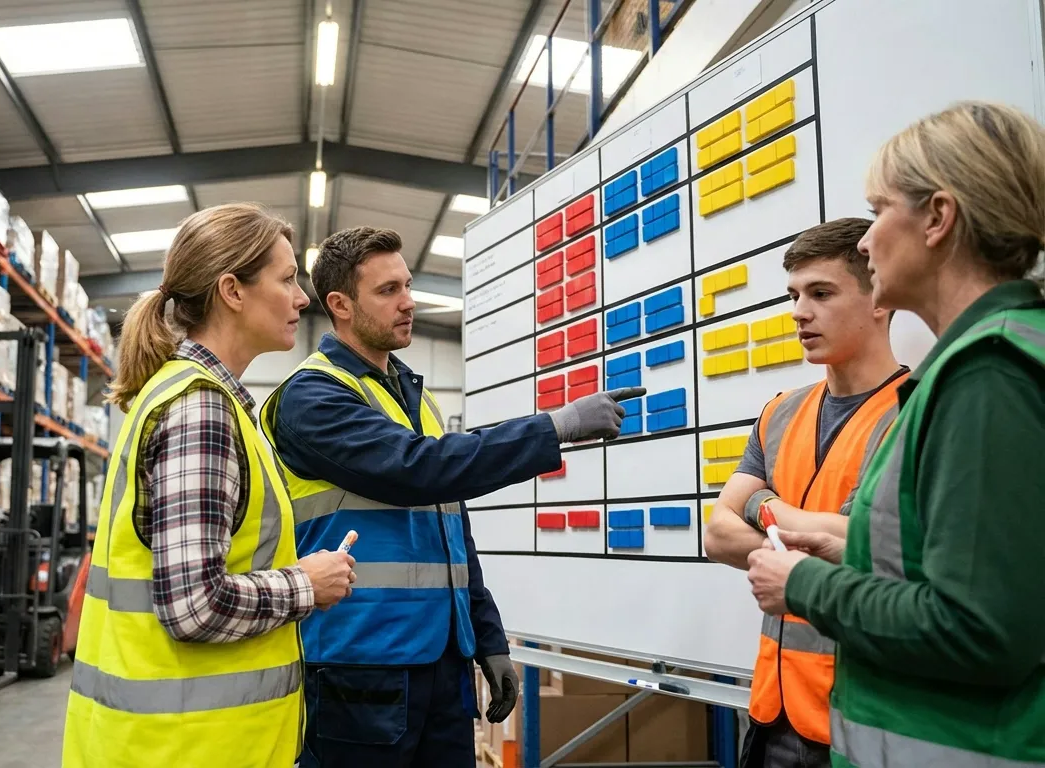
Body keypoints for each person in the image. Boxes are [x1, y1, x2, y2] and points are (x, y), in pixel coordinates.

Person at [259, 226, 644, 767]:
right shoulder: (311, 396)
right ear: (341, 305)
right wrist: (554, 426)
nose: (409, 303)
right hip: (360, 665)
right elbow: (417, 470)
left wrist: (487, 639)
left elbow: (452, 536)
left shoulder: (412, 396)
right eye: (388, 290)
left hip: (443, 661)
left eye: (408, 286)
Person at [746, 101, 1045, 768]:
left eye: (879, 210)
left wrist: (803, 585)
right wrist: (840, 540)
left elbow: (980, 629)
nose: (864, 239)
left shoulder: (988, 375)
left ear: (938, 218)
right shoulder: (971, 369)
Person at [62, 203, 358, 768]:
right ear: (233, 290)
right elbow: (194, 606)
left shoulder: (195, 396)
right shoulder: (202, 411)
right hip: (189, 747)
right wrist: (305, 584)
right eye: (286, 278)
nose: (302, 297)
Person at [703, 218, 909, 767]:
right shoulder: (779, 412)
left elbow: (867, 544)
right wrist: (786, 532)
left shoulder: (913, 414)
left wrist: (760, 506)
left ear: (879, 301)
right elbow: (716, 531)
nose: (799, 312)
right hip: (771, 715)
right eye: (794, 295)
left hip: (863, 719)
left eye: (821, 293)